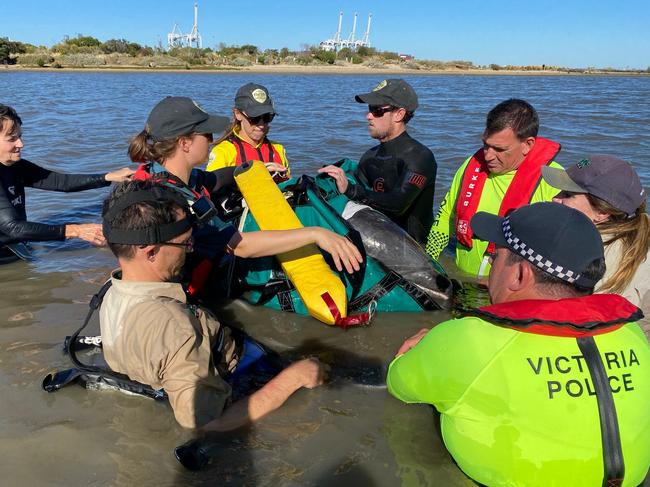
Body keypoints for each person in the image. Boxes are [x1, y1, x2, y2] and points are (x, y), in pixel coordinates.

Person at [387, 202, 650, 486]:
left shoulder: (469, 338)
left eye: (495, 257)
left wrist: (424, 348)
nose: (489, 269)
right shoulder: (630, 330)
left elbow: (399, 385)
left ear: (520, 274)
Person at [100, 180, 329, 430]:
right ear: (151, 252)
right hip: (237, 376)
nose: (190, 250)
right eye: (185, 243)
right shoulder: (174, 325)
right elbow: (206, 424)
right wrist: (293, 379)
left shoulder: (112, 292)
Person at [128, 96, 362, 296]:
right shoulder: (175, 199)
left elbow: (219, 177)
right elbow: (240, 246)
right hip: (174, 297)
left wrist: (255, 169)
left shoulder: (171, 175)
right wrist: (316, 234)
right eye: (206, 134)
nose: (212, 140)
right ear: (184, 143)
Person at [425, 99, 561, 278]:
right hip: (464, 280)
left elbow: (559, 250)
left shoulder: (554, 181)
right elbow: (445, 217)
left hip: (511, 292)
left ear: (528, 144)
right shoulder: (471, 165)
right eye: (485, 145)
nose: (488, 156)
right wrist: (428, 262)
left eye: (499, 149)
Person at [0, 104, 133, 253]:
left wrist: (107, 177)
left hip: (17, 247)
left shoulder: (15, 166)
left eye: (20, 136)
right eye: (12, 139)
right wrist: (76, 230)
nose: (21, 144)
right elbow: (13, 227)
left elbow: (61, 182)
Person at [318, 79, 436, 245]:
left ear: (399, 114)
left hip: (415, 249)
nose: (368, 116)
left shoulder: (420, 157)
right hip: (378, 240)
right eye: (369, 109)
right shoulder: (369, 157)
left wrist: (350, 189)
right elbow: (359, 201)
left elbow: (398, 204)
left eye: (377, 110)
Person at [543, 154, 649, 312]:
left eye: (567, 195)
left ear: (601, 212)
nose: (555, 199)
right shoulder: (638, 236)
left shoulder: (581, 251)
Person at [207, 83, 289, 180]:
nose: (261, 124)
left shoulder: (278, 149)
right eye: (255, 118)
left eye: (267, 117)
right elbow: (211, 188)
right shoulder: (224, 151)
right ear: (238, 114)